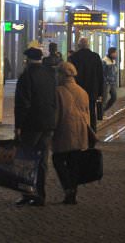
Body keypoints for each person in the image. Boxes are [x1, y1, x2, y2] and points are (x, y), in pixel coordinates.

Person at [14, 45, 58, 207]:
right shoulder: (49, 74)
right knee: (42, 161)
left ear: (27, 60)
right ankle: (41, 194)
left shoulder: (26, 76)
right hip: (47, 124)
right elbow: (54, 99)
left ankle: (27, 193)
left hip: (31, 124)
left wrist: (18, 125)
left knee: (26, 159)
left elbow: (23, 103)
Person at [52, 61, 91, 205]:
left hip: (64, 131)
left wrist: (52, 131)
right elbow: (87, 113)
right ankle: (72, 192)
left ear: (62, 74)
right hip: (80, 131)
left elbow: (55, 114)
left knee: (58, 160)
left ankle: (68, 188)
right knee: (74, 163)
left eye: (58, 73)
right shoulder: (82, 91)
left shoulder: (58, 91)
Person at [68, 38, 103, 130]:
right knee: (91, 111)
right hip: (92, 90)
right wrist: (100, 92)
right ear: (88, 45)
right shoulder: (95, 57)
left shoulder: (73, 57)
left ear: (79, 46)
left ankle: (80, 130)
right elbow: (100, 75)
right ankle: (92, 131)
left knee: (77, 111)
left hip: (77, 89)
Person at [100, 47, 118, 119]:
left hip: (112, 83)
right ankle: (101, 114)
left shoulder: (113, 61)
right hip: (106, 83)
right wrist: (105, 81)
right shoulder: (104, 61)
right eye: (115, 53)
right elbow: (102, 73)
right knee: (104, 99)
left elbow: (114, 71)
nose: (116, 54)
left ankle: (103, 110)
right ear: (111, 53)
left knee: (114, 97)